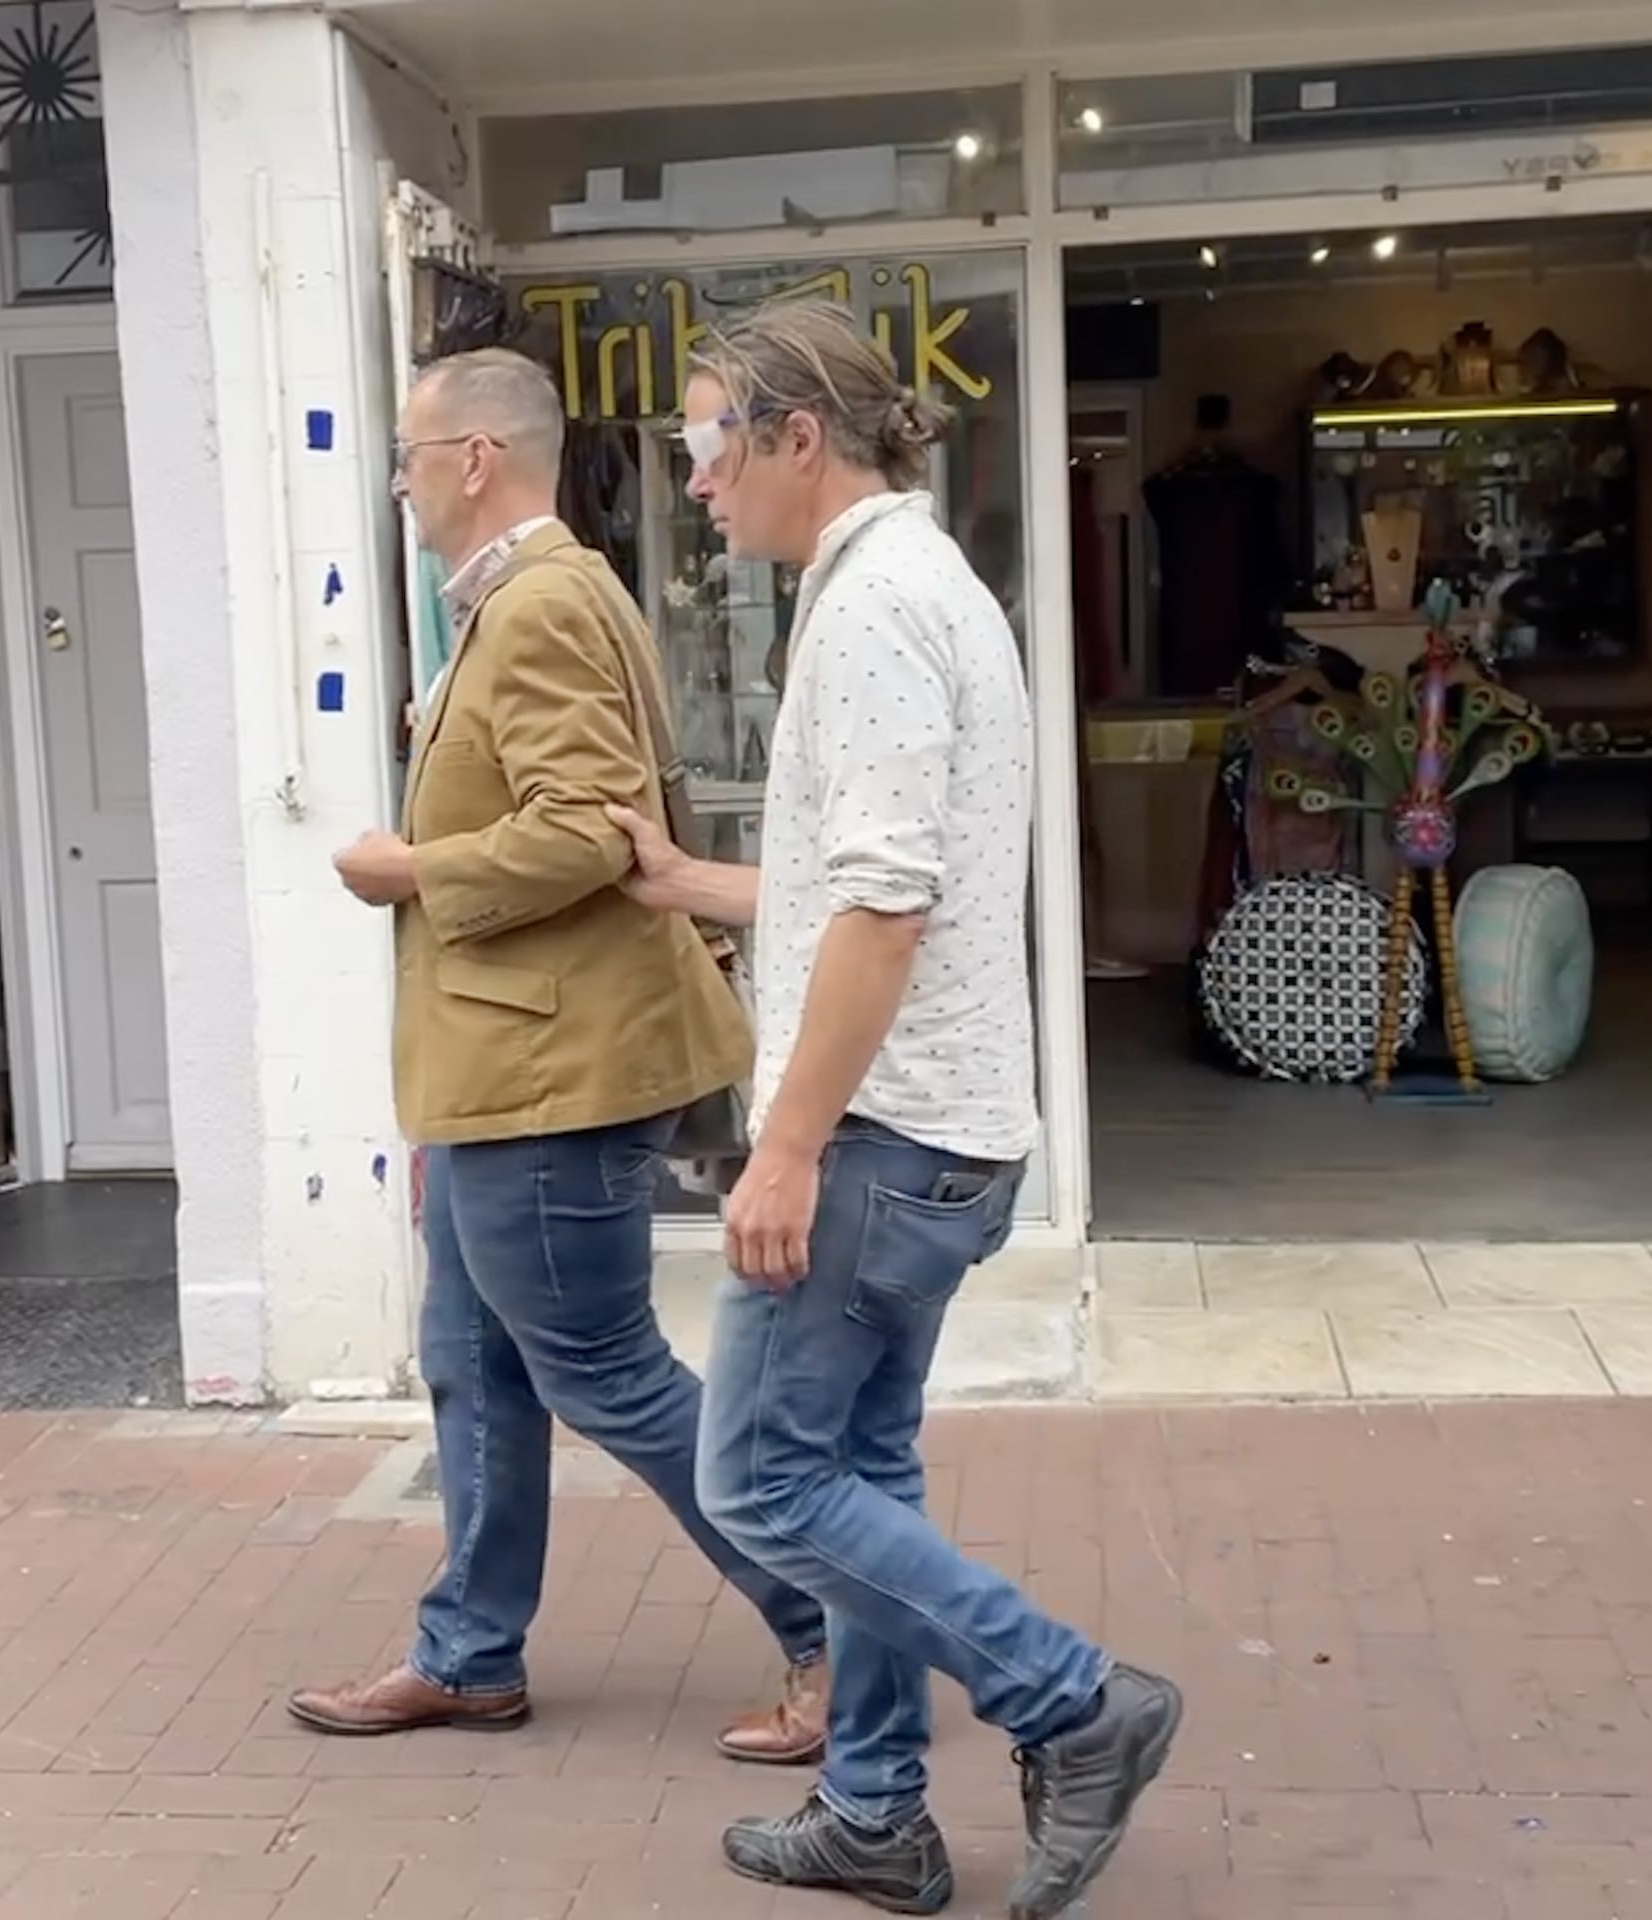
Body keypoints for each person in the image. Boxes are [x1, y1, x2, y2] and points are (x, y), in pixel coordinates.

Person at [610, 302, 1181, 1920]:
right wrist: (691, 882)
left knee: (761, 1485)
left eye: (709, 444)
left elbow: (884, 906)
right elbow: (853, 882)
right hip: (943, 1133)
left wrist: (781, 1143)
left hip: (876, 1143)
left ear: (800, 436)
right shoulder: (930, 587)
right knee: (858, 1469)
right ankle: (872, 1808)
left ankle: (1076, 1704)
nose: (697, 483)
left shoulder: (864, 614)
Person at [290, 347, 830, 1763]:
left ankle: (838, 1624)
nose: (399, 485)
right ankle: (468, 1655)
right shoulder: (527, 599)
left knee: (603, 1370)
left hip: (551, 1073)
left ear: (476, 458)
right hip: (504, 1069)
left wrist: (408, 868)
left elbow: (589, 831)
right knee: (472, 1360)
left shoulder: (539, 607)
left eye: (409, 456)